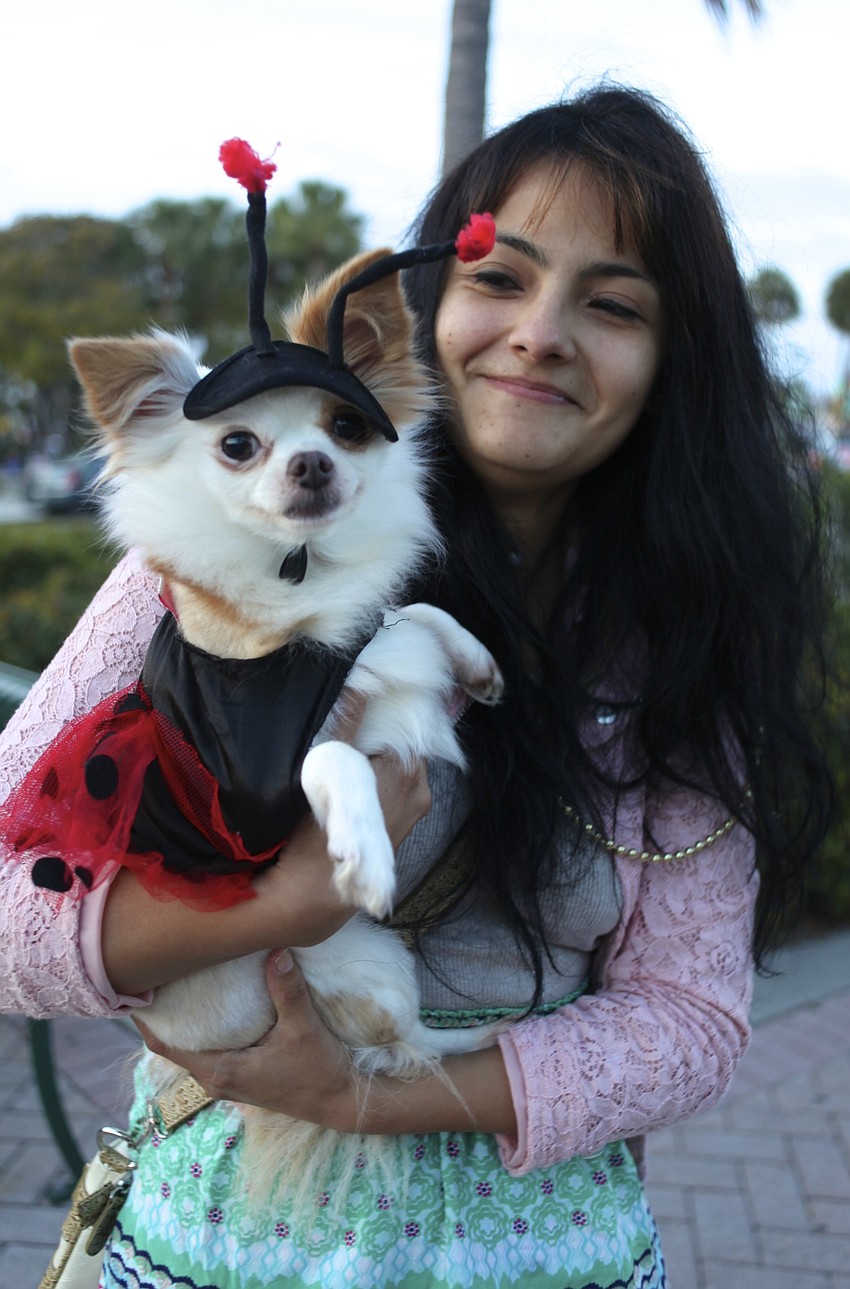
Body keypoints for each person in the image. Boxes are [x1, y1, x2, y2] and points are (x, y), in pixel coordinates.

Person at [0, 84, 831, 1288]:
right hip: (200, 1249)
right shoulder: (209, 565)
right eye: (501, 278)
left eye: (610, 304)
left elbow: (692, 1022)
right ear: (413, 317)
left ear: (670, 361)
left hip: (552, 1258)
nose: (541, 330)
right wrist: (278, 909)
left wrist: (364, 1095)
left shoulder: (674, 641)